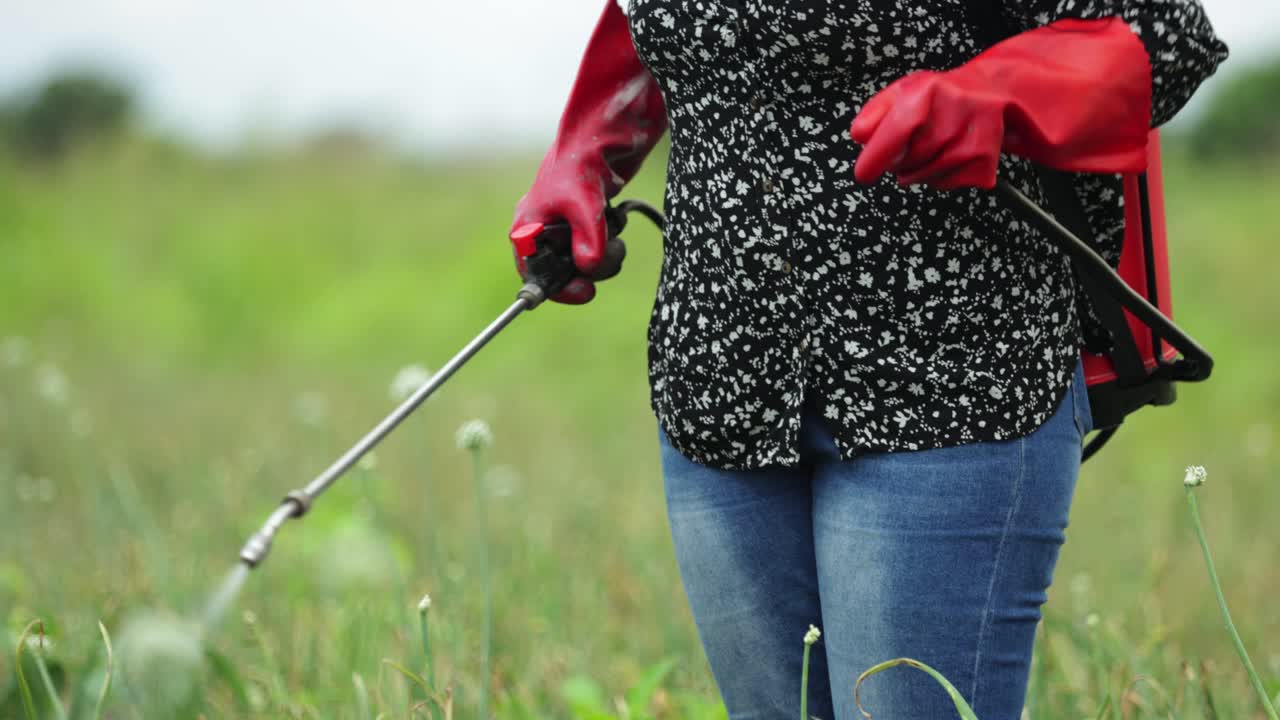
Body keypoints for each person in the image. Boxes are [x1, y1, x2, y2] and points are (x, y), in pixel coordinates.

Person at [510, 1, 1228, 717]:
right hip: (719, 379)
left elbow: (1166, 39)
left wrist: (992, 95)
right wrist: (586, 151)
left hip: (949, 373)